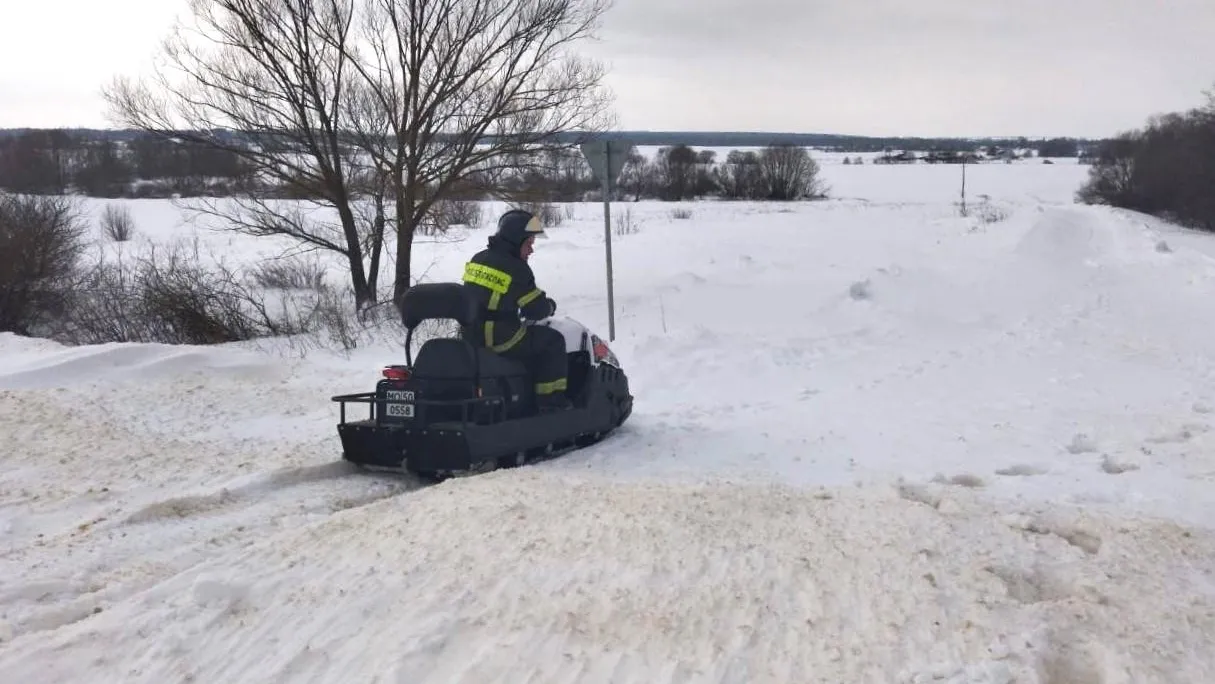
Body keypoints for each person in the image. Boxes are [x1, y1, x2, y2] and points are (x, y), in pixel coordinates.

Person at [461, 208, 572, 412]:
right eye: (529, 243)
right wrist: (550, 306)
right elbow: (535, 311)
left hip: (471, 335)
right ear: (515, 240)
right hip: (502, 338)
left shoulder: (479, 258)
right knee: (552, 341)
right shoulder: (517, 268)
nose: (531, 250)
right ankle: (551, 402)